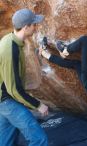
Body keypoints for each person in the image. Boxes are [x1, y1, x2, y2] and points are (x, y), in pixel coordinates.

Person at [0, 8, 48, 146]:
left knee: (5, 142)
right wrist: (38, 105)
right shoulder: (10, 49)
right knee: (39, 139)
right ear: (26, 27)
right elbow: (14, 89)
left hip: (4, 101)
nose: (36, 27)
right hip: (7, 101)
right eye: (34, 24)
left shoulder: (11, 40)